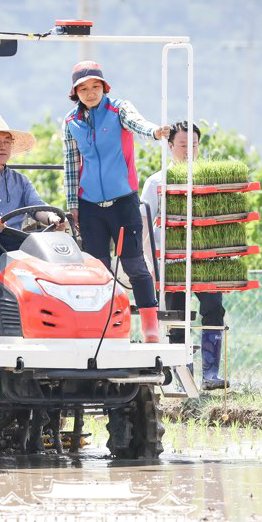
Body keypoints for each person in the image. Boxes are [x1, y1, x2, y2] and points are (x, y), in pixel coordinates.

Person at [62, 61, 171, 343]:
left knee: (135, 264)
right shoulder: (70, 123)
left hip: (124, 203)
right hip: (89, 207)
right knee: (98, 269)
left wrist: (155, 132)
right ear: (75, 92)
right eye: (83, 88)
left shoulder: (118, 109)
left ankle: (149, 327)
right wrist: (72, 204)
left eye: (95, 86)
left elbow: (138, 123)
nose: (90, 92)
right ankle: (103, 326)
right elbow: (71, 165)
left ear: (104, 87)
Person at [140, 121, 230, 390]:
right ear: (170, 147)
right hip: (171, 264)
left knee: (214, 310)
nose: (188, 151)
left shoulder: (207, 181)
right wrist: (151, 265)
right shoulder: (156, 182)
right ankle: (183, 378)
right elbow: (144, 226)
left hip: (205, 261)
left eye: (193, 145)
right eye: (182, 145)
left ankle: (211, 375)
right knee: (177, 317)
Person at [0, 114, 62, 321]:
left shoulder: (21, 180)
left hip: (11, 239)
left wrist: (52, 218)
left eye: (7, 141)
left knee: (39, 253)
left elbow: (38, 208)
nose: (3, 146)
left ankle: (41, 318)